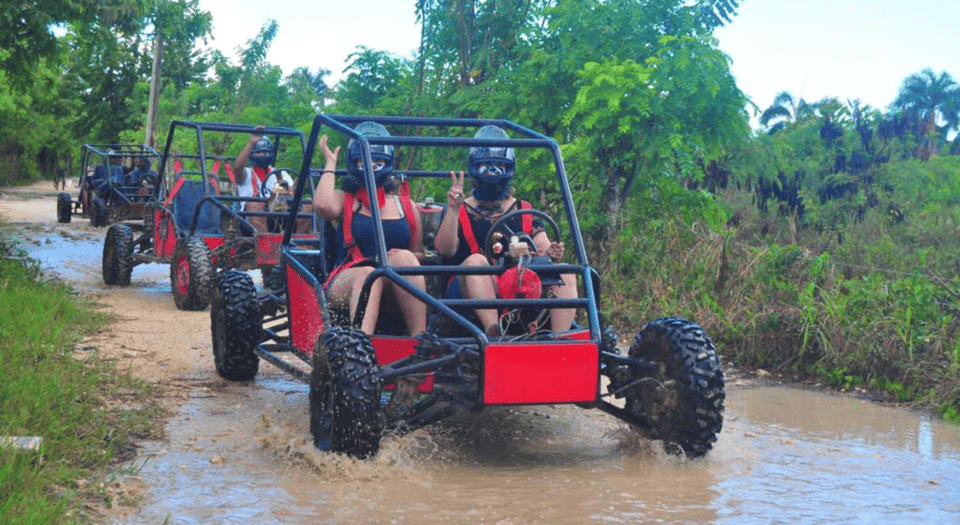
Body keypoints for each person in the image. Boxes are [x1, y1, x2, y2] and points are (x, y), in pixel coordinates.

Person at [434, 125, 577, 336]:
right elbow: (444, 250)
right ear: (475, 167)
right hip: (467, 292)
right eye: (486, 165)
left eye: (499, 165)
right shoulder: (459, 209)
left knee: (565, 270)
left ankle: (560, 340)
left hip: (518, 286)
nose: (493, 171)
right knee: (476, 262)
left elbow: (542, 245)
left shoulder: (524, 209)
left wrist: (551, 251)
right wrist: (454, 209)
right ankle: (494, 334)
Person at [314, 122, 427, 337]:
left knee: (404, 257)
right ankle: (361, 345)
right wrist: (330, 163)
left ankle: (421, 340)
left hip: (394, 283)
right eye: (364, 161)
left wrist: (401, 258)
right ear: (354, 162)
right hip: (348, 277)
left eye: (378, 161)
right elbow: (322, 205)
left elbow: (418, 252)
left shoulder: (406, 206)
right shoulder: (345, 199)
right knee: (369, 274)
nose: (371, 166)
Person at [233, 126, 306, 233]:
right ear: (252, 154)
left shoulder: (281, 173)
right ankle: (264, 241)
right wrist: (251, 142)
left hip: (280, 213)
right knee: (254, 204)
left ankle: (300, 241)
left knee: (308, 205)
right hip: (250, 219)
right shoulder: (246, 174)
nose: (262, 154)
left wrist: (290, 189)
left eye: (265, 152)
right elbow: (237, 168)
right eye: (259, 152)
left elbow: (291, 192)